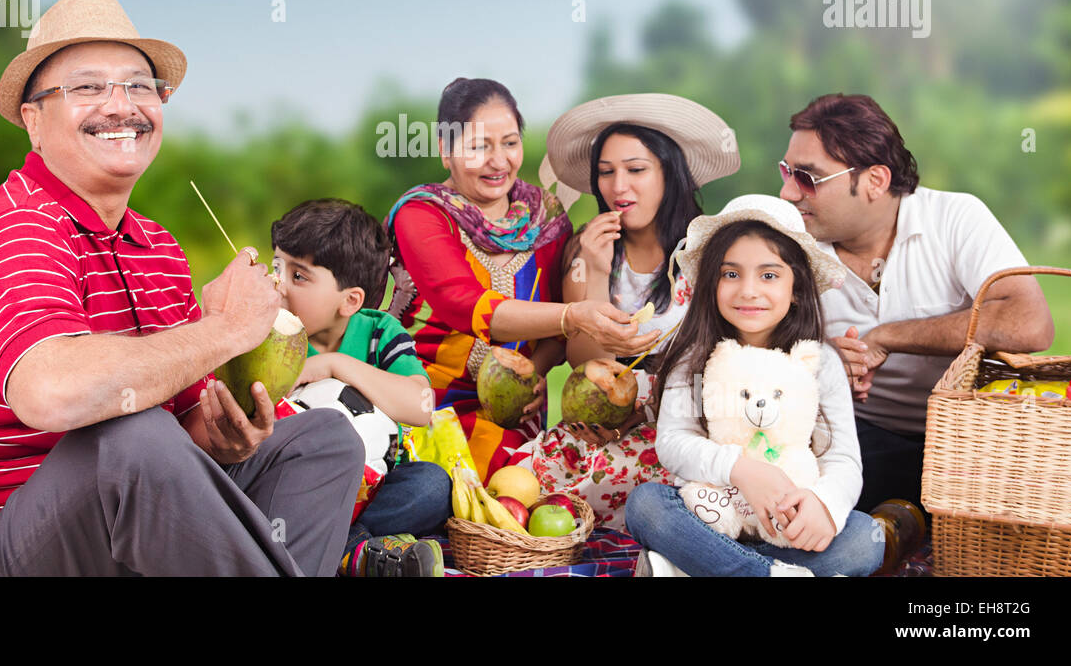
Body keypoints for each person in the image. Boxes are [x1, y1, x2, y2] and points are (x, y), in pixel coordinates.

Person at [0, 0, 364, 577]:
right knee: (130, 440)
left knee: (323, 442)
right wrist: (228, 329)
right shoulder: (12, 230)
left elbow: (180, 438)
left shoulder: (156, 245)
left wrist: (224, 437)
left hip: (101, 530)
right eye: (88, 87)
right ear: (33, 121)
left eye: (140, 86)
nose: (122, 105)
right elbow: (54, 392)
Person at [779, 94, 1055, 511]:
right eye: (786, 172)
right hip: (855, 437)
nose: (786, 193)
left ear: (875, 181)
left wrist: (887, 337)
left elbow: (1030, 323)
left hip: (970, 442)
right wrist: (824, 358)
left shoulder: (955, 218)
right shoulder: (788, 242)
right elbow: (747, 349)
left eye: (807, 177)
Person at [385, 78, 656, 481]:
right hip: (423, 403)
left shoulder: (543, 216)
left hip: (516, 416)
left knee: (527, 497)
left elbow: (557, 332)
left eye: (510, 143)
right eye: (479, 146)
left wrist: (536, 372)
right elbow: (463, 303)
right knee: (438, 494)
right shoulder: (423, 215)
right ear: (445, 150)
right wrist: (575, 315)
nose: (499, 162)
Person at [510, 94, 740, 529]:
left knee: (683, 494)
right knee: (524, 481)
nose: (618, 187)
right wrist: (595, 271)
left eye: (636, 170)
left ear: (669, 175)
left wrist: (647, 410)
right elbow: (585, 363)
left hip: (683, 423)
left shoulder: (710, 252)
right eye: (606, 173)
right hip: (598, 423)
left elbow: (728, 360)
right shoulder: (586, 248)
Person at [624, 196, 884, 577]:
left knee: (866, 538)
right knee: (645, 504)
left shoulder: (819, 362)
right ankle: (766, 574)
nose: (748, 290)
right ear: (711, 282)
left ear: (796, 286)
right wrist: (742, 471)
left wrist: (823, 504)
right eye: (731, 274)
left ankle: (683, 570)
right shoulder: (694, 359)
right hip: (710, 517)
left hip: (784, 528)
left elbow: (842, 459)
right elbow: (674, 443)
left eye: (768, 275)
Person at [270, 198, 450, 577]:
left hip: (371, 491)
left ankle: (339, 546)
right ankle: (356, 553)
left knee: (432, 485)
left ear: (350, 301)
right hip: (293, 489)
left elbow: (420, 405)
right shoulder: (265, 334)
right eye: (275, 268)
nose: (278, 285)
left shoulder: (379, 332)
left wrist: (338, 365)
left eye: (298, 276)